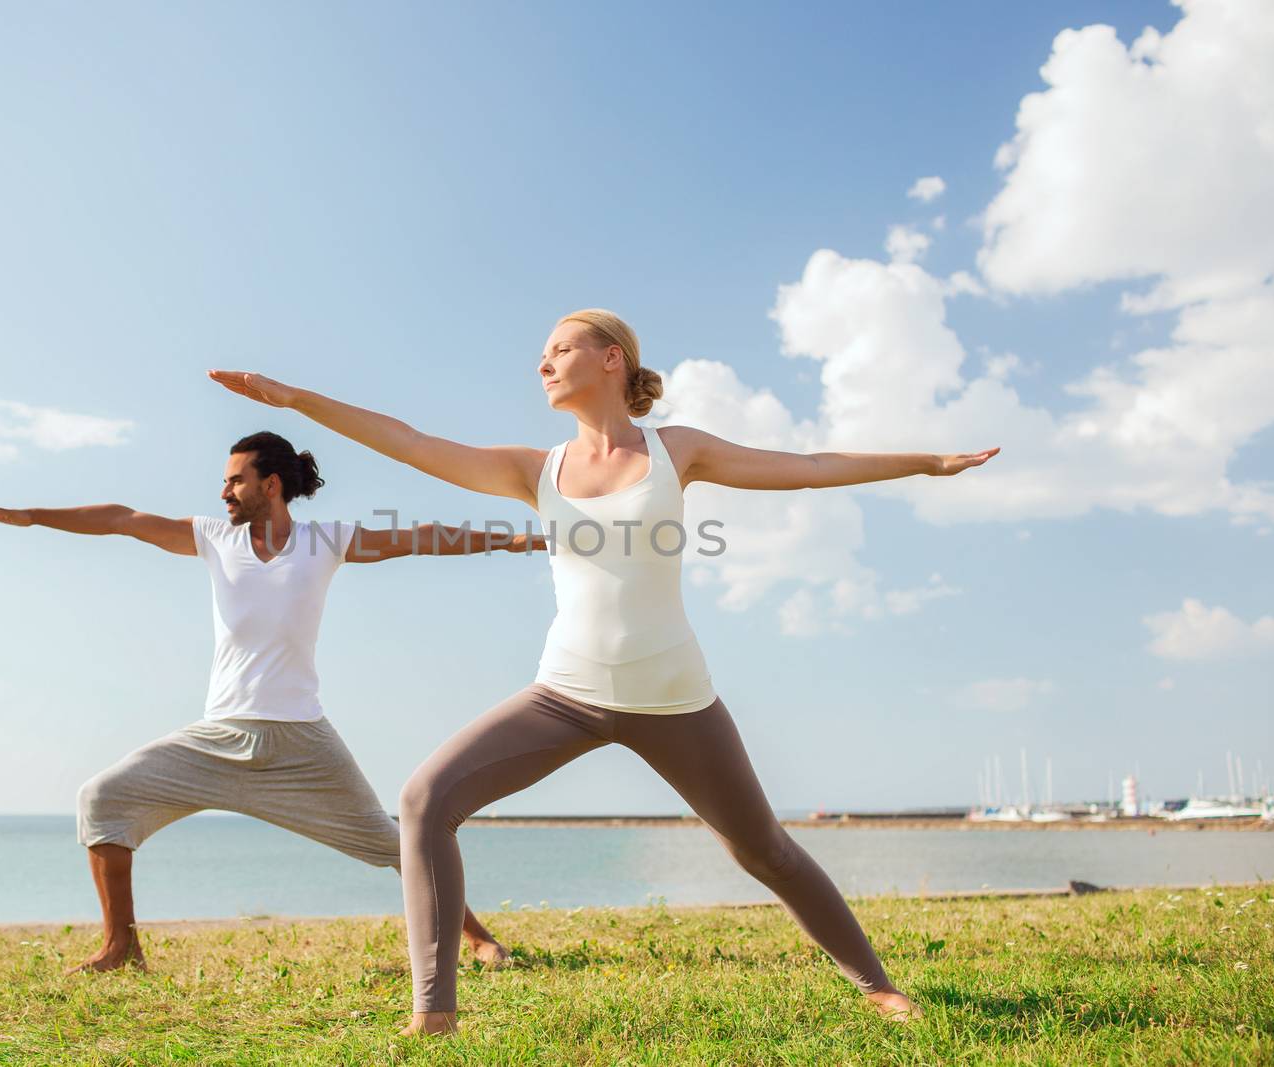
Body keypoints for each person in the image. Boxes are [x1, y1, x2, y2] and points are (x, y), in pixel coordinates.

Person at [210, 309, 999, 1032]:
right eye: (541, 354)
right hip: (567, 693)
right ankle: (435, 1012)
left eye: (559, 348)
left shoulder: (675, 450)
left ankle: (876, 983)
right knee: (424, 799)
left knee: (764, 851)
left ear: (611, 358)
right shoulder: (534, 469)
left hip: (674, 696)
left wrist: (925, 462)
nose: (543, 362)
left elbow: (810, 463)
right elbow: (409, 440)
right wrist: (296, 399)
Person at [0, 430, 540, 973]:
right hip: (217, 739)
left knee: (396, 843)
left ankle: (479, 937)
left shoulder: (325, 542)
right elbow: (123, 519)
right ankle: (121, 947)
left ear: (271, 485)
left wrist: (508, 539)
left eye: (235, 480)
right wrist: (35, 517)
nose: (223, 492)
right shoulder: (215, 538)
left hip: (302, 743)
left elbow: (415, 539)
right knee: (103, 800)